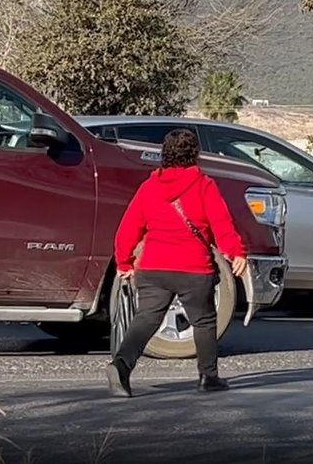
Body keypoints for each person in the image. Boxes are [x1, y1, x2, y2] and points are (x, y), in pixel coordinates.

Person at [106, 129, 249, 398]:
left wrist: (124, 262)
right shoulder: (204, 185)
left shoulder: (148, 188)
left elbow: (127, 230)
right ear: (195, 154)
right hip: (194, 269)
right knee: (204, 321)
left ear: (164, 154)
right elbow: (222, 226)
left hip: (153, 268)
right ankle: (208, 377)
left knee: (147, 318)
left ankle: (121, 366)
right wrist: (236, 252)